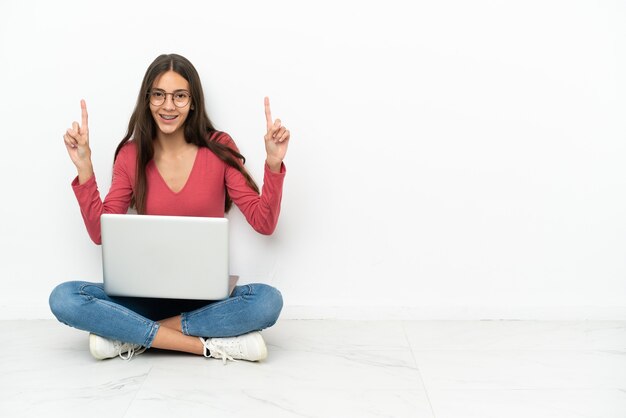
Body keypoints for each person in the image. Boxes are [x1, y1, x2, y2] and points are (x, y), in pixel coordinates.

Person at [49, 53, 290, 363]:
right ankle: (206, 345)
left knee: (267, 302)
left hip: (206, 302)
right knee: (64, 298)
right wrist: (84, 166)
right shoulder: (130, 154)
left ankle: (131, 336)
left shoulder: (220, 146)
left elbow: (264, 222)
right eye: (159, 95)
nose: (168, 105)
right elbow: (99, 232)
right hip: (144, 297)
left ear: (193, 102)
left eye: (179, 96)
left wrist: (273, 163)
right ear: (147, 99)